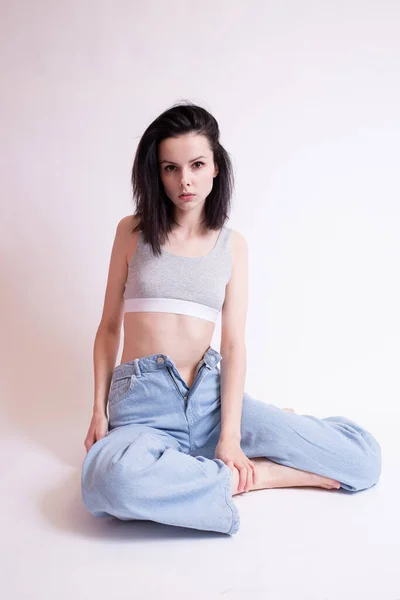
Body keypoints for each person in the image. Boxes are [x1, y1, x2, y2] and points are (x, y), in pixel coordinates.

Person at [81, 102, 381, 535]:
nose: (184, 180)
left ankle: (238, 450)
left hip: (213, 401)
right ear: (157, 172)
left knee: (361, 462)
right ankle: (261, 478)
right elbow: (109, 326)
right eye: (170, 168)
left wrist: (231, 436)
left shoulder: (232, 245)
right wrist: (97, 410)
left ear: (216, 167)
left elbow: (234, 343)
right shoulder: (132, 231)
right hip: (144, 409)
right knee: (108, 482)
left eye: (197, 164)